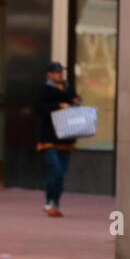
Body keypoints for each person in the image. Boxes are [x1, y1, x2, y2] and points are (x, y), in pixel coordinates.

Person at [33, 61, 78, 217]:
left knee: (61, 171)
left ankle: (55, 202)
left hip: (66, 137)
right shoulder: (44, 89)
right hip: (49, 136)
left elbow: (75, 101)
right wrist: (59, 105)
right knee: (56, 168)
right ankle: (49, 202)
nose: (60, 74)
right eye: (57, 72)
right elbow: (39, 108)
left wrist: (75, 101)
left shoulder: (68, 87)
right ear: (50, 74)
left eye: (61, 72)